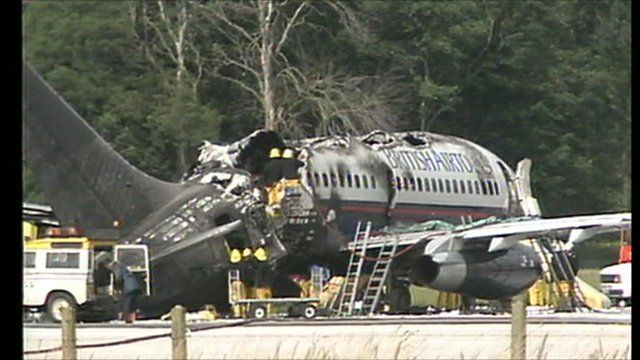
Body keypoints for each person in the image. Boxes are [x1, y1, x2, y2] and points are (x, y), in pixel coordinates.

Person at [99, 254, 143, 323]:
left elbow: (118, 277)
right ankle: (131, 318)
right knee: (132, 303)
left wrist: (116, 288)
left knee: (127, 303)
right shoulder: (121, 265)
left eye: (107, 267)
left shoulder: (116, 266)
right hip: (134, 286)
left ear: (108, 264)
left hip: (129, 287)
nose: (108, 268)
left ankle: (126, 318)